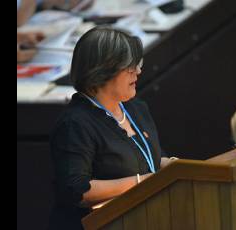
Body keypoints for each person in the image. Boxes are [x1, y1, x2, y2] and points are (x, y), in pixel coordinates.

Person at [48, 25, 177, 229]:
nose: (139, 71)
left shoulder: (136, 108)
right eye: (130, 66)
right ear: (102, 72)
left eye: (138, 64)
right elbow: (77, 191)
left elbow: (153, 158)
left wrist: (180, 168)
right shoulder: (75, 124)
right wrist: (142, 182)